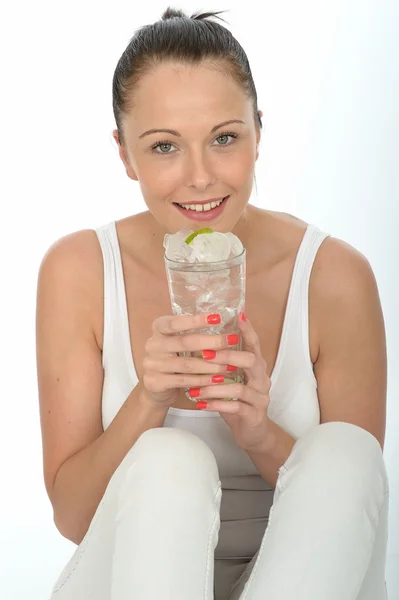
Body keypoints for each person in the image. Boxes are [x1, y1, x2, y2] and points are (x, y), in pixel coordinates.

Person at [36, 7, 389, 600]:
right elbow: (73, 520)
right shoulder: (79, 270)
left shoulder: (335, 276)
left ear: (258, 132)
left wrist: (257, 430)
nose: (200, 178)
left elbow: (353, 506)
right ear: (125, 155)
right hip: (130, 578)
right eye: (165, 146)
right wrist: (148, 400)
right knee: (170, 459)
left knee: (348, 452)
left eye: (224, 138)